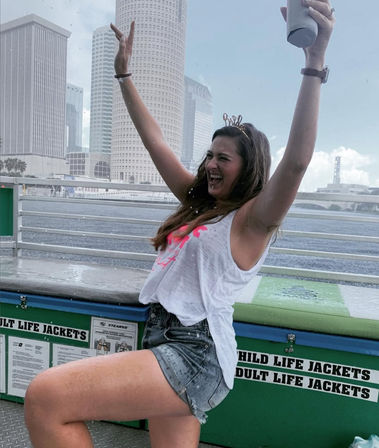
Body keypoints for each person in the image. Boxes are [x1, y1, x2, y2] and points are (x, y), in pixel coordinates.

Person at [24, 2, 335, 447]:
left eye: (222, 158)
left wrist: (314, 63)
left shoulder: (252, 221)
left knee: (47, 396)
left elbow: (298, 162)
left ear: (247, 170)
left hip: (195, 353)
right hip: (164, 339)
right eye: (209, 155)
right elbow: (154, 142)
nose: (209, 164)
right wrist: (123, 77)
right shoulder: (198, 204)